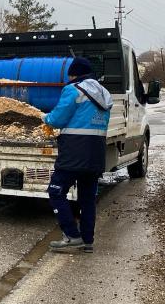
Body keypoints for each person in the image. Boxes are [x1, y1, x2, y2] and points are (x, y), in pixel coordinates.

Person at [42, 57, 113, 253]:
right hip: (96, 152)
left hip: (74, 152)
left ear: (74, 75)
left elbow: (57, 119)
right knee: (87, 198)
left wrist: (45, 117)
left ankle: (72, 236)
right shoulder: (104, 93)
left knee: (56, 191)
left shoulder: (73, 90)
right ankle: (87, 241)